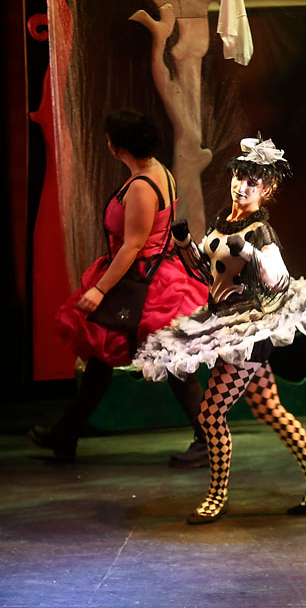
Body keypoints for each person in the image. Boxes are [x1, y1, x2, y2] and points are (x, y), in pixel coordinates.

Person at [133, 137, 306, 524]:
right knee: (268, 408)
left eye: (252, 182)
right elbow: (208, 272)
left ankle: (217, 496)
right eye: (239, 177)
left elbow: (279, 282)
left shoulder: (260, 232)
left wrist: (249, 252)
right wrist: (186, 245)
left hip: (247, 335)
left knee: (210, 414)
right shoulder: (224, 220)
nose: (242, 186)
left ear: (267, 189)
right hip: (224, 321)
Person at [30, 109, 208, 464]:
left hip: (144, 282)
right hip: (147, 276)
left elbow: (133, 245)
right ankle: (66, 434)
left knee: (175, 364)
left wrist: (99, 290)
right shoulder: (156, 171)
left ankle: (209, 440)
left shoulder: (143, 185)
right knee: (102, 359)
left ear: (117, 147)